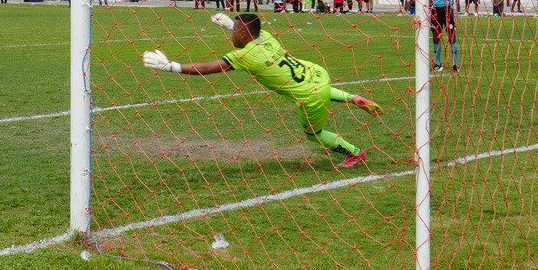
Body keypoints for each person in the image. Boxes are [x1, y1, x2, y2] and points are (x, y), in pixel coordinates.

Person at [141, 12, 381, 169]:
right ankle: (353, 97)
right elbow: (250, 32)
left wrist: (172, 67)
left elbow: (207, 67)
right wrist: (229, 25)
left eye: (235, 31)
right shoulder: (265, 36)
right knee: (314, 87)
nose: (232, 34)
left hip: (311, 96)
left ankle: (355, 152)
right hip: (316, 74)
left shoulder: (246, 56)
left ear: (244, 34)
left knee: (313, 133)